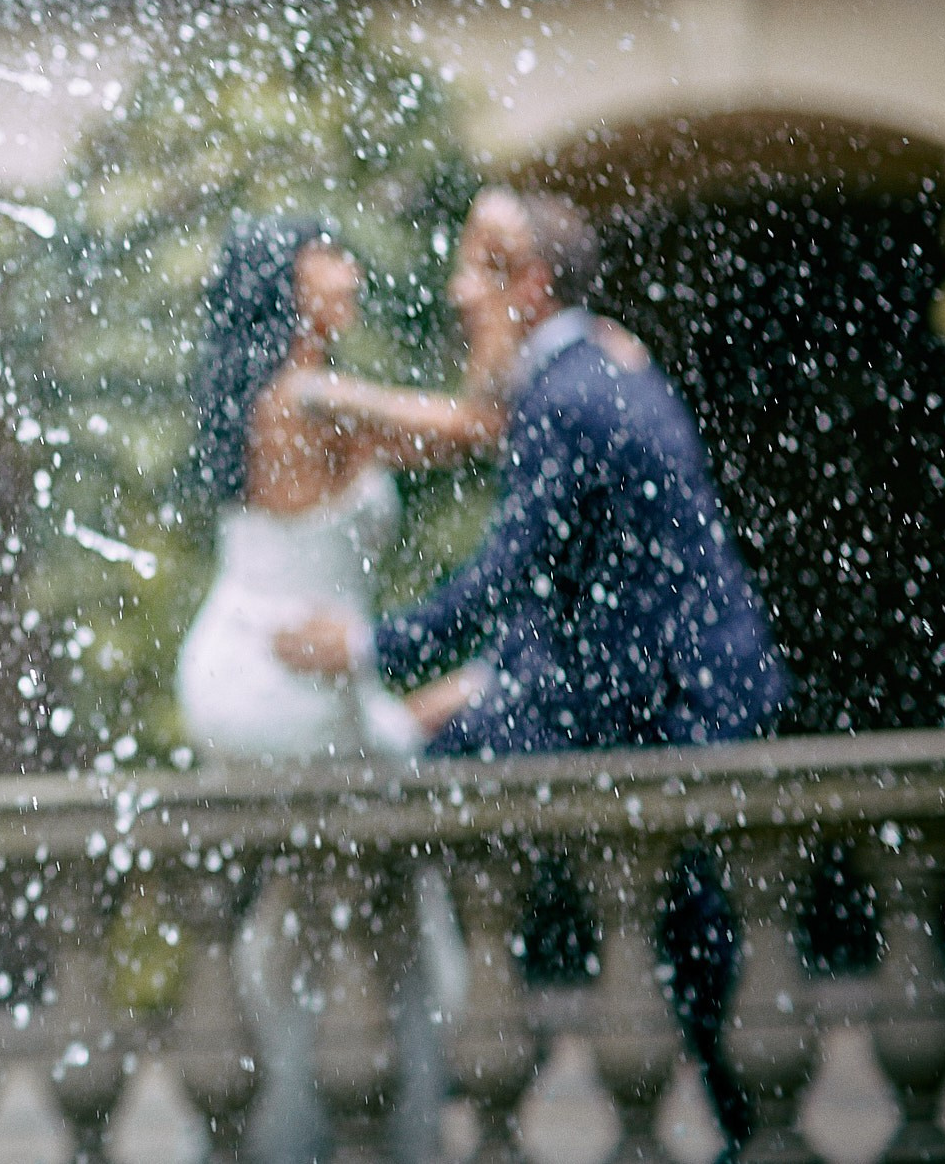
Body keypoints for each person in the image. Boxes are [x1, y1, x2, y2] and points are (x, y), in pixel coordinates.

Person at [275, 186, 790, 1145]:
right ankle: (738, 1119)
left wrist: (366, 648)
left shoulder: (567, 395)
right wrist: (493, 678)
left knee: (690, 926)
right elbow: (584, 571)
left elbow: (509, 571)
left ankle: (430, 1070)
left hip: (668, 697)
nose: (460, 290)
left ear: (534, 284)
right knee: (695, 931)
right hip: (680, 678)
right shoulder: (596, 364)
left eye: (483, 269)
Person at [175, 216, 509, 764]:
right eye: (329, 257)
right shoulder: (312, 401)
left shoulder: (271, 400)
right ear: (283, 279)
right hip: (281, 680)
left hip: (249, 670)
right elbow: (477, 427)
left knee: (458, 706)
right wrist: (495, 311)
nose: (351, 274)